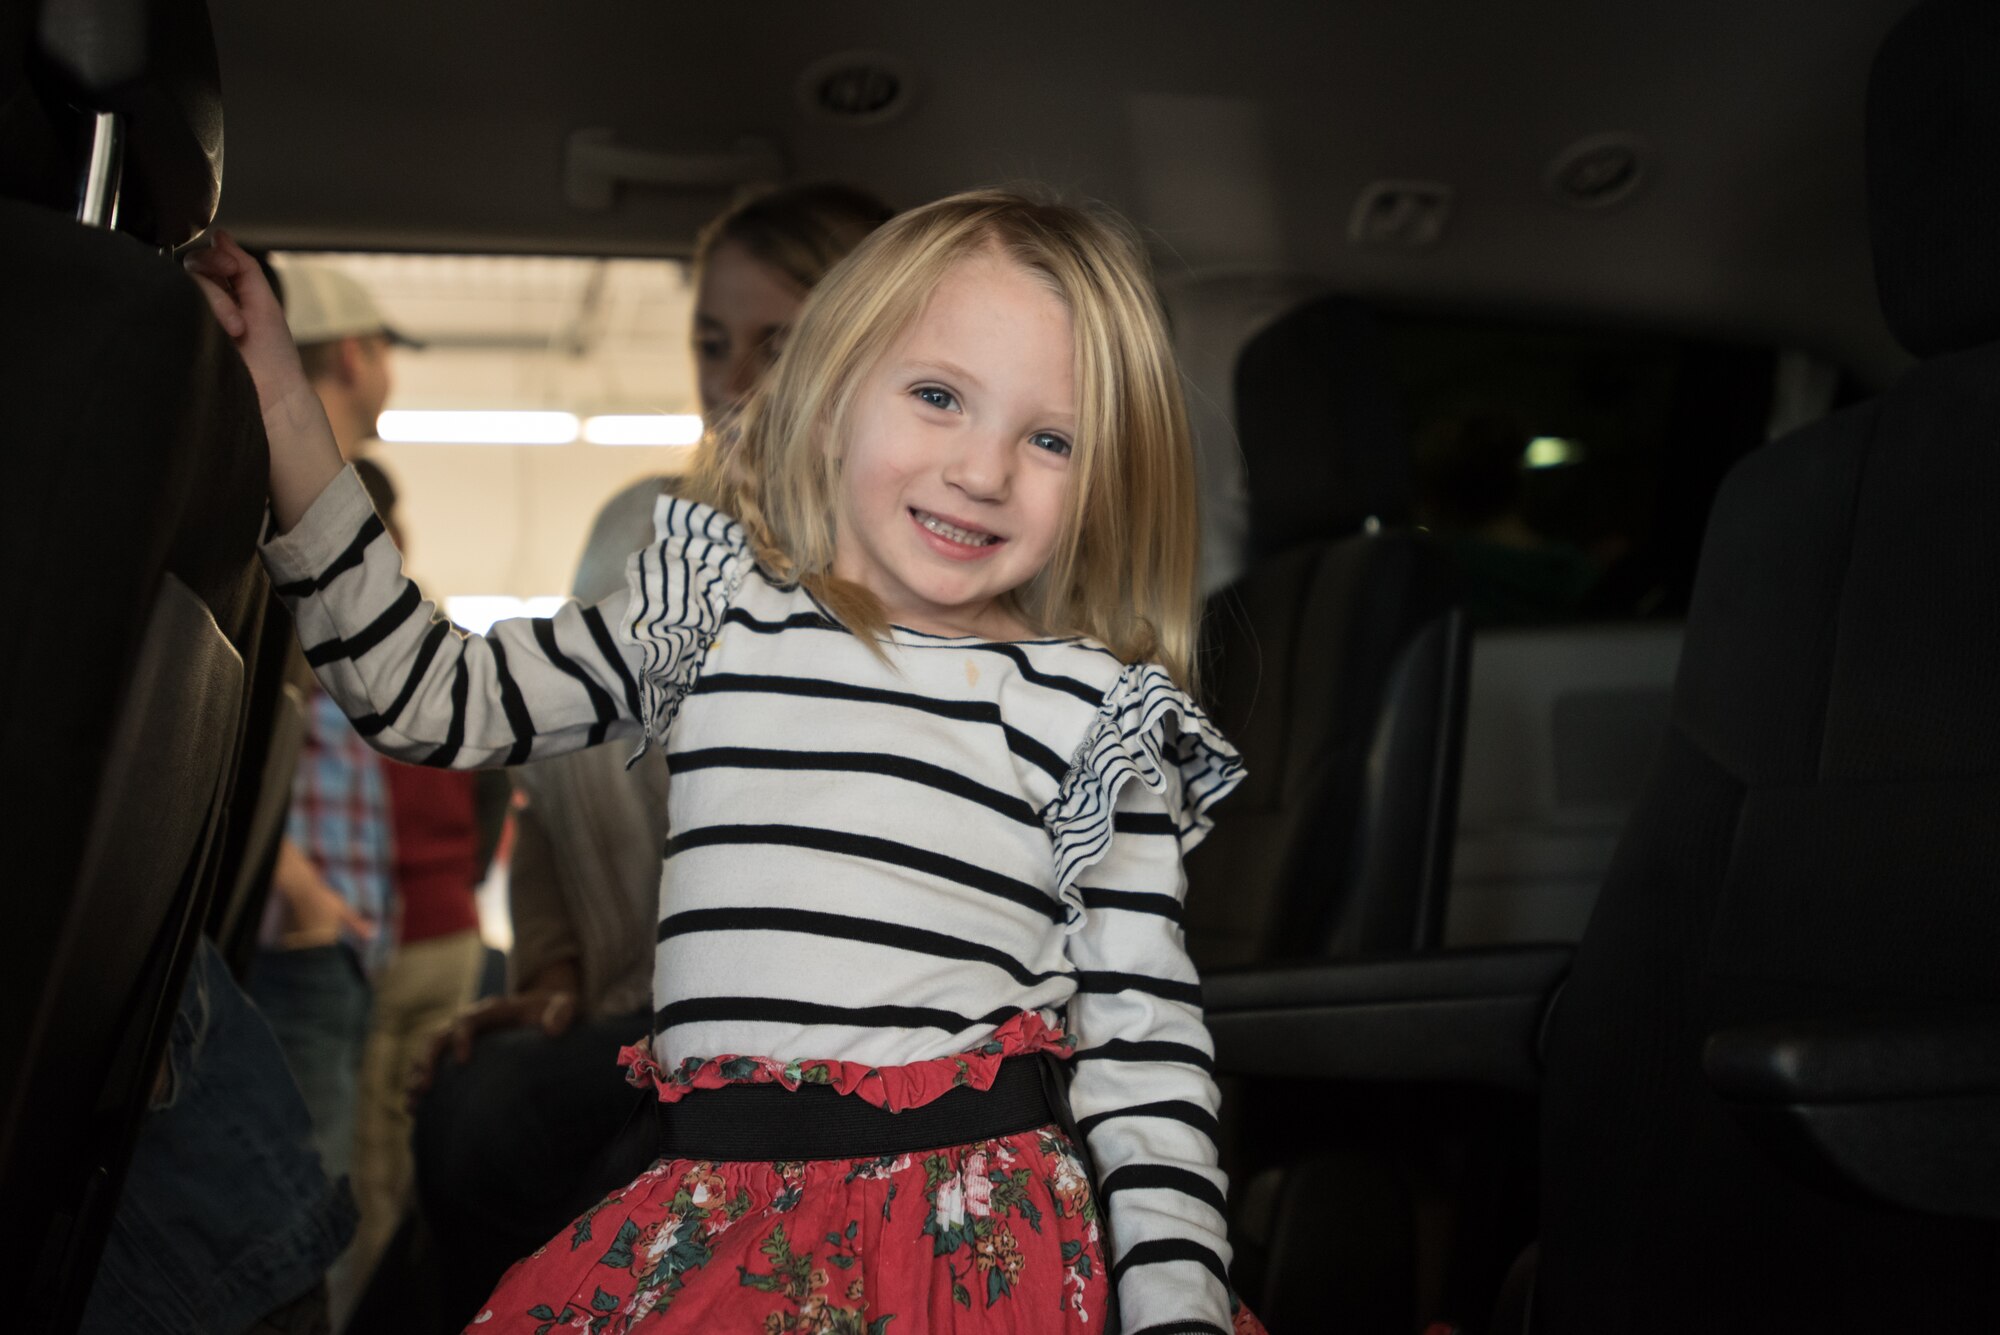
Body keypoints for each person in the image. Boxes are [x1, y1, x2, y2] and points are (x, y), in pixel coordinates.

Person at [190, 188, 1266, 1333]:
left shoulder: (1095, 715)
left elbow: (1144, 1057)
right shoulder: (709, 614)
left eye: (1050, 437)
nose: (983, 469)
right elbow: (424, 695)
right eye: (938, 397)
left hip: (976, 1258)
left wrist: (1176, 1313)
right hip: (707, 1228)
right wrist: (279, 406)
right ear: (824, 400)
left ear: (1100, 476)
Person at [406, 183, 893, 1324]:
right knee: (473, 1093)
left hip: (796, 1052)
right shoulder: (638, 531)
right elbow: (553, 786)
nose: (732, 381)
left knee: (496, 1131)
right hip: (631, 1016)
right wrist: (554, 980)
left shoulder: (915, 574)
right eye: (712, 342)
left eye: (780, 343)